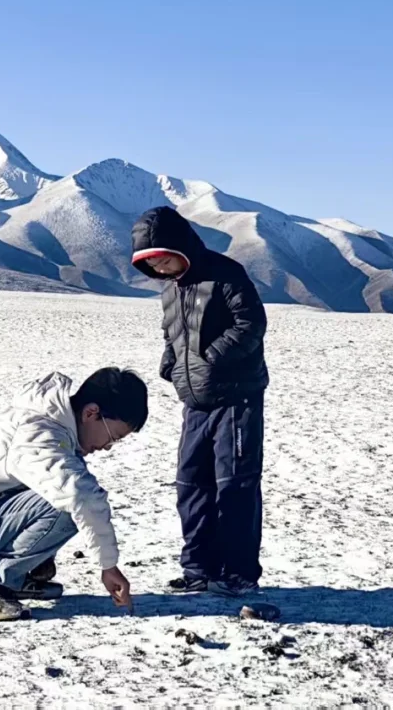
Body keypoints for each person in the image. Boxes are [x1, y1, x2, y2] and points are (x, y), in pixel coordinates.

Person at [0, 368, 147, 621]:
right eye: (113, 437)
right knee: (68, 502)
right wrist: (108, 566)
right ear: (91, 413)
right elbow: (82, 497)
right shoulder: (38, 435)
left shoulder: (51, 426)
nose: (107, 447)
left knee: (63, 487)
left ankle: (15, 577)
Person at [130, 206, 269, 598]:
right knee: (191, 484)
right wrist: (171, 363)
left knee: (235, 486)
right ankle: (198, 570)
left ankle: (238, 574)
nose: (159, 268)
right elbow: (173, 333)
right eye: (151, 264)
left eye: (163, 259)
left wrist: (210, 357)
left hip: (236, 399)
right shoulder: (171, 289)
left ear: (180, 246)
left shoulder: (225, 274)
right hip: (195, 402)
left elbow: (251, 324)